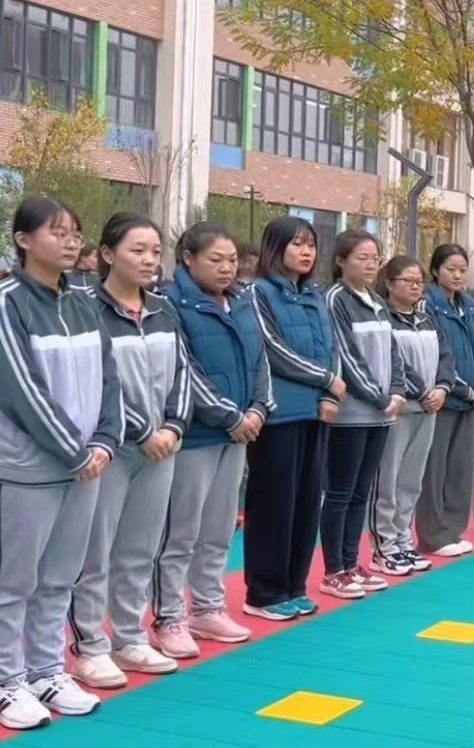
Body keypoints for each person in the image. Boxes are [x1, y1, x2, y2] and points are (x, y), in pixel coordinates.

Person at [0, 197, 124, 729]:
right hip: (30, 466)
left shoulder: (83, 301)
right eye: (58, 233)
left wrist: (104, 441)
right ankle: (7, 680)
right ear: (24, 240)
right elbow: (19, 390)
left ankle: (47, 669)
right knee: (14, 579)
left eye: (76, 233)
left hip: (86, 465)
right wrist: (74, 451)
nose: (72, 242)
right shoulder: (8, 302)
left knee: (60, 577)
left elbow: (109, 377)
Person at [69, 213, 190, 690]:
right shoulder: (85, 309)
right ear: (106, 254)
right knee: (95, 552)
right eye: (137, 250)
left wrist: (175, 426)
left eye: (155, 251)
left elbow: (183, 372)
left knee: (140, 548)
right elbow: (99, 382)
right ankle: (90, 647)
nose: (148, 259)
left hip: (163, 448)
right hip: (112, 449)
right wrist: (143, 431)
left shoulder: (163, 308)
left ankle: (129, 636)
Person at [153, 222, 274, 659]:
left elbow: (260, 359)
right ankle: (169, 616)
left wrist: (259, 409)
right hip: (198, 435)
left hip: (241, 431)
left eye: (231, 261)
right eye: (215, 260)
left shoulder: (242, 301)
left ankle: (207, 605)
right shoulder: (170, 303)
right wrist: (229, 417)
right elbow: (184, 370)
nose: (226, 269)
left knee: (220, 529)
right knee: (180, 531)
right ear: (188, 258)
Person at [245, 216, 345, 620]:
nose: (306, 252)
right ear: (276, 248)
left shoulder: (315, 294)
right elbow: (271, 348)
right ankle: (264, 593)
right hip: (280, 415)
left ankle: (293, 585)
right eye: (297, 244)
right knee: (275, 503)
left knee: (306, 502)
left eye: (311, 245)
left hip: (316, 412)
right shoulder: (259, 292)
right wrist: (326, 379)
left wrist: (330, 392)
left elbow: (331, 345)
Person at [322, 230, 407, 599]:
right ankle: (333, 570)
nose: (371, 264)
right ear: (341, 261)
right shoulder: (335, 299)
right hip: (352, 412)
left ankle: (352, 562)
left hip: (381, 411)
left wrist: (398, 390)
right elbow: (346, 356)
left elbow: (393, 349)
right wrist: (376, 395)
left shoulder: (376, 300)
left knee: (362, 492)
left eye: (375, 258)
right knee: (340, 492)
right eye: (362, 257)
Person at [370, 255, 455, 575]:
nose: (416, 285)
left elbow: (447, 357)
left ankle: (404, 538)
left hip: (430, 408)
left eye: (419, 280)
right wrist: (422, 392)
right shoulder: (384, 319)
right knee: (388, 480)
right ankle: (386, 544)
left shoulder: (427, 318)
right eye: (407, 280)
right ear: (389, 284)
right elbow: (396, 364)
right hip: (401, 409)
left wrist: (443, 388)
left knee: (411, 480)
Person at [418, 244, 474, 558]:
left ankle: (453, 529)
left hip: (472, 399)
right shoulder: (428, 305)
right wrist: (463, 390)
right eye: (451, 269)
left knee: (460, 469)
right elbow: (438, 354)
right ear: (435, 271)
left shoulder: (469, 305)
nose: (458, 275)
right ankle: (433, 534)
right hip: (445, 398)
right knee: (435, 471)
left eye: (462, 269)